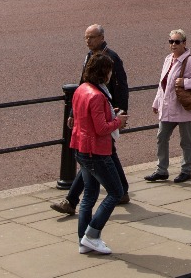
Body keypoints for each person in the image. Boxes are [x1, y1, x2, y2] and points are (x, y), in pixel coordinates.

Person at [52, 25, 131, 214]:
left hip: (106, 114)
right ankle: (122, 191)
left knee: (94, 158)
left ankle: (72, 201)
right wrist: (72, 112)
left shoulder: (112, 58)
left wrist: (120, 114)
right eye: (86, 38)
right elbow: (83, 84)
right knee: (105, 155)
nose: (88, 41)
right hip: (95, 114)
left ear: (102, 37)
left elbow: (122, 87)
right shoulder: (89, 57)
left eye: (92, 38)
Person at [68, 53, 129, 256]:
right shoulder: (97, 95)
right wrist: (118, 122)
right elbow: (102, 128)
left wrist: (111, 114)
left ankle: (83, 241)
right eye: (109, 70)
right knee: (115, 192)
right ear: (104, 72)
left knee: (89, 196)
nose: (111, 73)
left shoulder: (81, 89)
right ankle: (92, 235)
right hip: (96, 151)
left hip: (81, 148)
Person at [147, 29, 191, 183]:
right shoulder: (168, 59)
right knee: (161, 137)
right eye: (171, 41)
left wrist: (186, 82)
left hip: (183, 108)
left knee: (185, 141)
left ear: (184, 43)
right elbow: (162, 85)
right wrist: (156, 102)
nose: (173, 44)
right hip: (168, 107)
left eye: (177, 41)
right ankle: (162, 170)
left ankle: (186, 170)